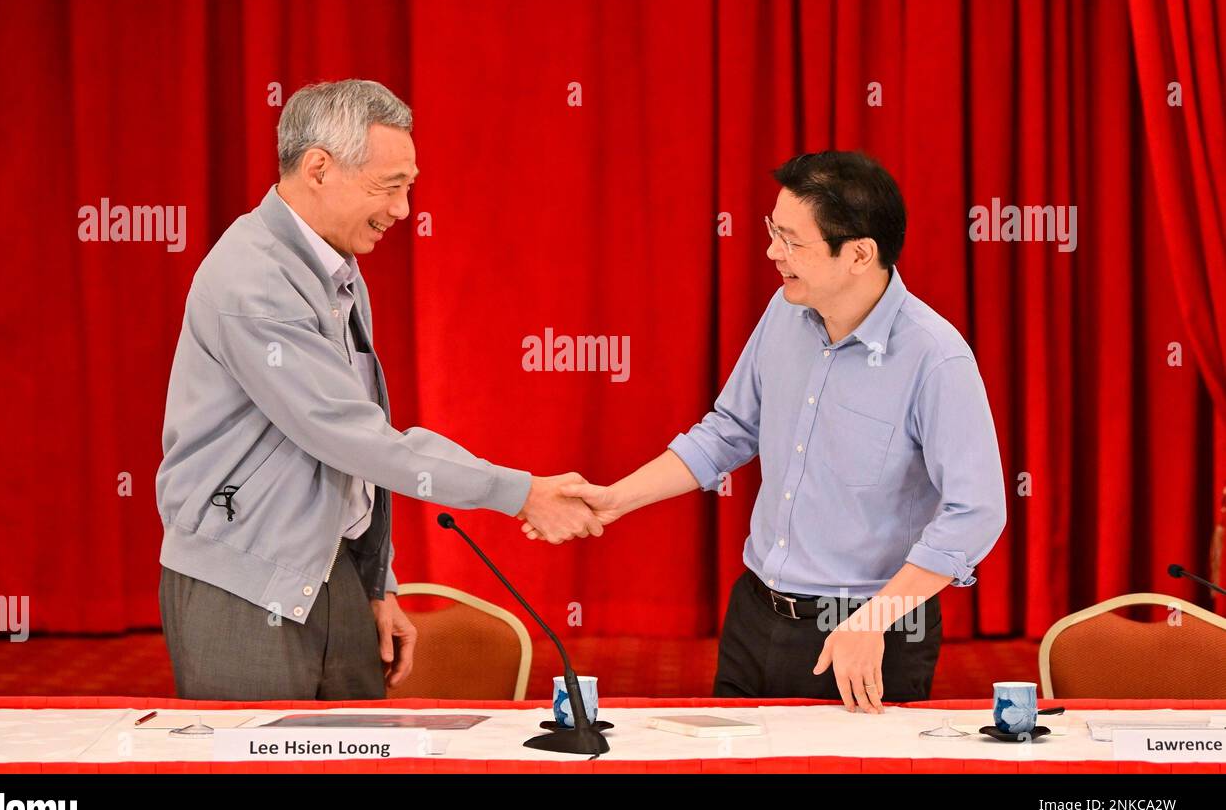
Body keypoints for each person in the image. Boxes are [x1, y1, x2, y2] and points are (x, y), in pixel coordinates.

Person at [155, 79, 600, 701]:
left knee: (361, 757)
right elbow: (352, 437)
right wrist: (518, 492)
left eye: (407, 188)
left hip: (328, 574)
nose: (401, 209)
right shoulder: (252, 278)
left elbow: (347, 456)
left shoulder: (335, 267)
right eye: (388, 187)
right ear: (318, 168)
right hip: (244, 583)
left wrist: (374, 583)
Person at [540, 151, 1007, 711]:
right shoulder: (785, 313)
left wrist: (874, 621)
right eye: (771, 232)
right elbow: (729, 430)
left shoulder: (935, 358)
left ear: (859, 254)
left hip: (865, 628)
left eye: (791, 240)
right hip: (756, 614)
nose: (771, 253)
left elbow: (977, 511)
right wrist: (618, 497)